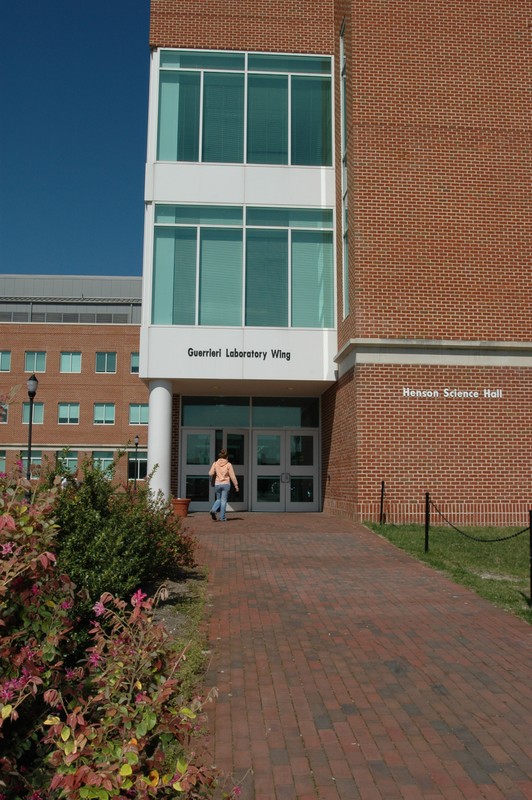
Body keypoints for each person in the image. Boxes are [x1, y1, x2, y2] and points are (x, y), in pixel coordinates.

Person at [208, 449, 239, 522]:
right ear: (226, 457)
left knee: (218, 499)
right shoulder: (228, 464)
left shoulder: (215, 463)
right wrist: (236, 485)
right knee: (223, 500)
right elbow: (233, 476)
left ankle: (213, 510)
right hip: (226, 484)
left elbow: (210, 473)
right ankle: (222, 517)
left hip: (217, 484)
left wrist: (213, 479)